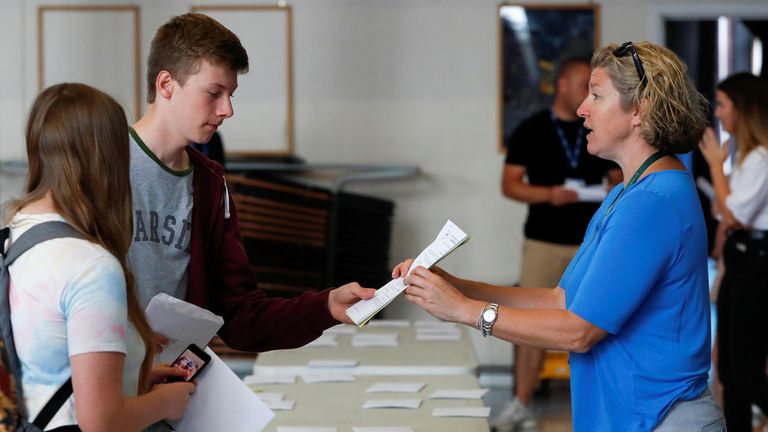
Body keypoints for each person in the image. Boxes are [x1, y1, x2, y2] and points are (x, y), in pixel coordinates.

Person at [395, 41, 726, 431]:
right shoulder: (627, 191)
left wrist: (463, 311)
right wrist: (457, 287)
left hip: (658, 418)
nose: (582, 108)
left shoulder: (652, 201)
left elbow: (578, 330)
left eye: (596, 95)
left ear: (639, 108)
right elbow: (562, 299)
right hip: (631, 415)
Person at [130, 12, 374, 355]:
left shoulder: (210, 184)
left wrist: (327, 307)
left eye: (230, 94)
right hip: (101, 391)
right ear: (166, 84)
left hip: (171, 391)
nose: (227, 109)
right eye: (214, 92)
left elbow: (243, 316)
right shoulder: (100, 165)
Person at [5, 83, 193, 430]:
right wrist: (164, 402)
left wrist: (127, 377)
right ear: (108, 159)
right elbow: (101, 422)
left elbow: (45, 367)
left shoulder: (12, 236)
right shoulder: (91, 267)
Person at [499, 57, 621, 431]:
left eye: (594, 89)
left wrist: (608, 184)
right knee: (531, 323)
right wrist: (549, 194)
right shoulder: (531, 129)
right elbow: (510, 184)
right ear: (562, 85)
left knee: (597, 323)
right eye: (583, 84)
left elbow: (621, 171)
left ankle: (602, 406)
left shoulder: (601, 127)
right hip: (544, 240)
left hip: (593, 240)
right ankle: (521, 402)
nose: (587, 95)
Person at [699, 72, 768, 431]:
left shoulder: (761, 157)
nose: (719, 114)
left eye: (723, 104)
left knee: (744, 368)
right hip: (741, 259)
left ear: (743, 108)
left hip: (756, 263)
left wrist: (714, 166)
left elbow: (735, 214)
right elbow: (724, 211)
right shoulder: (746, 155)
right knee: (727, 368)